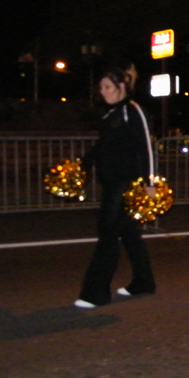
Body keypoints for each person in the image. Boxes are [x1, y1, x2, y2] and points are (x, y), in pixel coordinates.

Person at [75, 67, 157, 308]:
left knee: (107, 232)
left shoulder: (133, 110)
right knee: (130, 233)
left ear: (121, 87)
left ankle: (95, 293)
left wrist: (150, 183)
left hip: (127, 182)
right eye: (101, 88)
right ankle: (144, 282)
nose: (103, 92)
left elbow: (146, 147)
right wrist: (83, 163)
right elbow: (105, 146)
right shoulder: (110, 114)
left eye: (107, 87)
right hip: (112, 181)